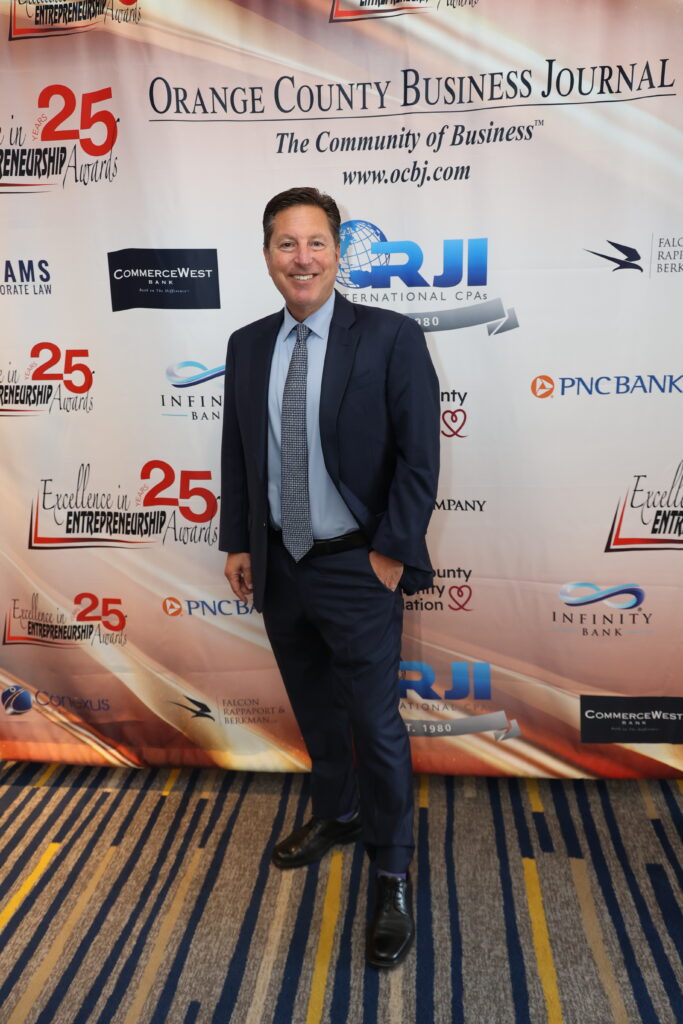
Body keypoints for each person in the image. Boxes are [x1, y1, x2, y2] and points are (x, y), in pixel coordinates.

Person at [220, 187, 439, 967]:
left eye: (315, 242)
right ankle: (338, 813)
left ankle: (391, 869)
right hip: (279, 563)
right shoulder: (247, 344)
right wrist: (238, 541)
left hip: (356, 565)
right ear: (266, 255)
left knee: (375, 725)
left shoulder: (389, 336)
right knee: (315, 710)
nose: (301, 257)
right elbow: (238, 449)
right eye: (286, 243)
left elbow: (419, 456)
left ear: (338, 253)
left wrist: (390, 552)